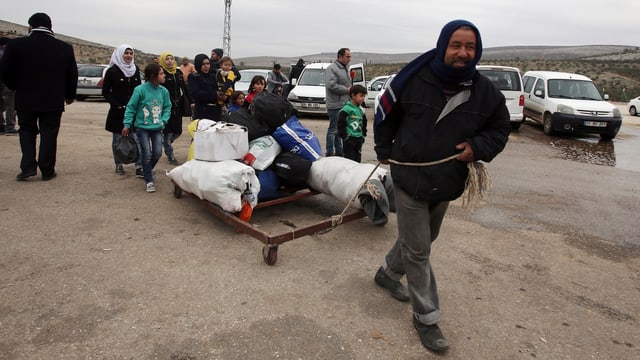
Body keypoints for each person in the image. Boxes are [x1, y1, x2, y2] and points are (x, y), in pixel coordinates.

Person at [372, 20, 510, 353]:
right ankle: (427, 318)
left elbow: (500, 130)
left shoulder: (486, 93)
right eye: (456, 45)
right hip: (409, 177)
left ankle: (387, 273)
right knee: (419, 250)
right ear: (442, 45)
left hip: (448, 181)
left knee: (422, 238)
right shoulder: (414, 80)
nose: (463, 53)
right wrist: (385, 150)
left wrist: (478, 147)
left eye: (470, 47)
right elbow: (385, 114)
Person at [0, 13, 78, 181]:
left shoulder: (15, 45)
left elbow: (5, 71)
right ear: (50, 26)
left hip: (25, 98)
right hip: (53, 99)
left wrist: (15, 86)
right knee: (49, 133)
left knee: (26, 131)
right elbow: (72, 75)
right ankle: (47, 170)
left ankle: (27, 167)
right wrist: (69, 95)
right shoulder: (64, 47)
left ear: (30, 26)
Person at [122, 63, 171, 193]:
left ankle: (146, 170)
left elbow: (167, 107)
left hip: (157, 127)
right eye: (161, 73)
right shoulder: (140, 90)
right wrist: (127, 124)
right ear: (152, 76)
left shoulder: (164, 91)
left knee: (157, 153)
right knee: (146, 153)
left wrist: (163, 121)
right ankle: (149, 180)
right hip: (142, 127)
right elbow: (131, 107)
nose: (164, 75)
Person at [102, 44, 143, 176]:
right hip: (118, 112)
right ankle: (118, 164)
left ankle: (139, 165)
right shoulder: (112, 71)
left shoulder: (135, 70)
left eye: (131, 53)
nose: (129, 56)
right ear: (120, 54)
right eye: (126, 53)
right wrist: (116, 105)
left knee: (137, 138)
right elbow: (105, 92)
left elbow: (139, 89)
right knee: (118, 139)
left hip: (134, 111)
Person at [158, 51, 189, 165]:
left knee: (178, 131)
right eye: (167, 59)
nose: (169, 61)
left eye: (171, 58)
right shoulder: (161, 73)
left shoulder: (178, 72)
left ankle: (166, 143)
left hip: (178, 105)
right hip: (165, 106)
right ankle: (170, 154)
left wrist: (189, 100)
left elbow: (184, 87)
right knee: (167, 131)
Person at [325, 48, 352, 157]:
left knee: (339, 130)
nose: (349, 59)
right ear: (340, 56)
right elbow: (331, 85)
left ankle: (339, 152)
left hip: (344, 104)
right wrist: (347, 90)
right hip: (335, 104)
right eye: (347, 56)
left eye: (350, 56)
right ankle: (330, 153)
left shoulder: (345, 69)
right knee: (333, 130)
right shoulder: (332, 68)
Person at [338, 84, 367, 163]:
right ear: (353, 96)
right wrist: (345, 136)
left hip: (358, 138)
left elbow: (364, 122)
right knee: (349, 160)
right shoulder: (346, 109)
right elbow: (340, 124)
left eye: (364, 96)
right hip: (349, 139)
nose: (363, 98)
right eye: (361, 96)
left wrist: (363, 135)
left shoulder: (361, 109)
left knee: (358, 159)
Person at [188, 54, 221, 121]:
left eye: (208, 63)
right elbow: (195, 93)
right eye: (203, 64)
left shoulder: (215, 75)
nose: (206, 66)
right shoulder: (194, 77)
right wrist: (215, 94)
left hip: (216, 111)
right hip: (202, 111)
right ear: (198, 65)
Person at [0, 36, 18, 135]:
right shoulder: (7, 54)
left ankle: (0, 126)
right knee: (10, 106)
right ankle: (10, 128)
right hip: (7, 84)